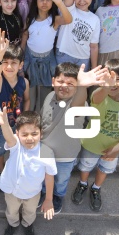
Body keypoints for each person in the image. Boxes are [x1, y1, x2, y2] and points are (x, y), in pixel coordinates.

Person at [39, 62, 108, 214]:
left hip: (65, 157)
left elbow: (77, 106)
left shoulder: (78, 104)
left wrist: (83, 87)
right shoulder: (50, 95)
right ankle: (44, 192)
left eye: (71, 83)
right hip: (44, 152)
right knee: (44, 176)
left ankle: (58, 196)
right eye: (61, 81)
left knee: (61, 180)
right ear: (53, 81)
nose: (64, 86)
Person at [71, 59, 119, 211]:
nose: (112, 83)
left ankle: (96, 187)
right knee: (86, 166)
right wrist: (106, 86)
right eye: (108, 79)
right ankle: (82, 184)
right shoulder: (98, 94)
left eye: (117, 80)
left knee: (105, 169)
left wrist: (118, 148)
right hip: (91, 145)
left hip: (113, 149)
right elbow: (100, 96)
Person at [0, 107, 55, 235]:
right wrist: (4, 124)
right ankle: (12, 224)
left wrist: (48, 199)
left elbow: (49, 177)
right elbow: (9, 137)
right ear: (17, 134)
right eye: (24, 134)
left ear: (41, 134)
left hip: (32, 193)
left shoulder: (47, 153)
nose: (29, 138)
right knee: (11, 211)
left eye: (34, 133)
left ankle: (27, 224)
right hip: (12, 191)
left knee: (30, 212)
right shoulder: (16, 145)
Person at [0, 30, 30, 190]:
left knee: (16, 148)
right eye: (5, 62)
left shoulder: (24, 82)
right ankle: (0, 171)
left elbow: (27, 99)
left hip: (16, 124)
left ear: (21, 65)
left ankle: (15, 170)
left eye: (13, 62)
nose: (9, 66)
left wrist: (24, 117)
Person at [22, 0, 73, 111]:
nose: (45, 2)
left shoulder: (54, 20)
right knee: (31, 92)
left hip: (47, 61)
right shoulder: (30, 19)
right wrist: (21, 57)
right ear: (36, 1)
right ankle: (30, 118)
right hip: (31, 60)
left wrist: (59, 2)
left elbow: (68, 19)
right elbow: (25, 37)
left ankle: (41, 119)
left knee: (45, 94)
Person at [55, 0, 100, 69]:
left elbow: (94, 46)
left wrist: (94, 68)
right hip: (64, 54)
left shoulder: (96, 19)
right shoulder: (69, 9)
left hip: (83, 59)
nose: (82, 1)